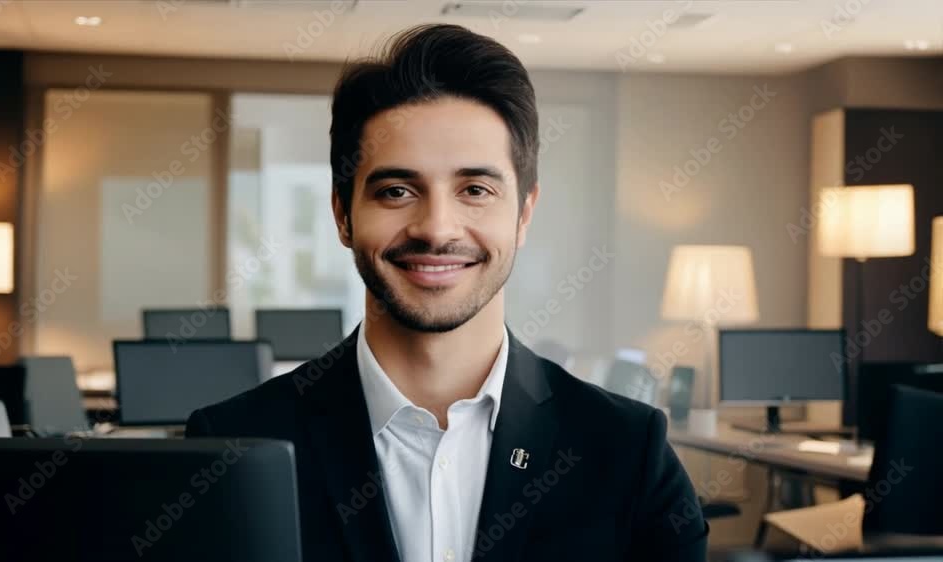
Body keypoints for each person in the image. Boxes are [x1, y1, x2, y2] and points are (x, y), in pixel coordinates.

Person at [186, 23, 708, 562]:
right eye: (396, 190)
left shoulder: (627, 449)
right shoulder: (233, 443)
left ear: (524, 214)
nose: (437, 229)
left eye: (475, 190)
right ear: (343, 214)